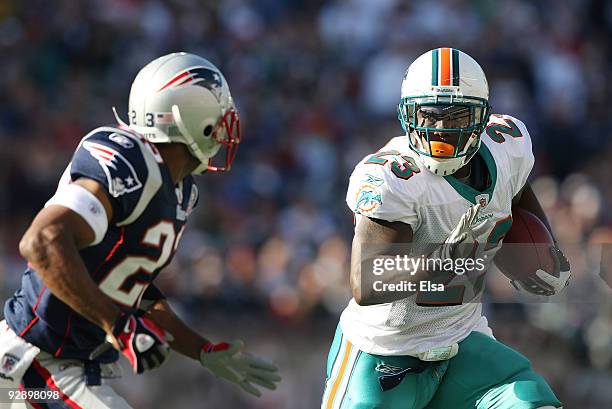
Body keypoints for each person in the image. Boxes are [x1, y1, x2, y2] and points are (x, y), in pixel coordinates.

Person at [0, 52, 281, 408]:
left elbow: (135, 291)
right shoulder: (129, 159)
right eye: (220, 113)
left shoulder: (181, 192)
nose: (227, 125)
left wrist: (201, 349)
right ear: (189, 115)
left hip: (66, 369)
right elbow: (42, 241)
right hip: (32, 364)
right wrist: (118, 325)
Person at [321, 48, 570, 409]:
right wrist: (442, 263)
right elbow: (367, 280)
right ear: (407, 115)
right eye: (428, 115)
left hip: (460, 341)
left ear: (482, 117)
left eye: (455, 114)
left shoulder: (507, 149)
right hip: (383, 354)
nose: (439, 128)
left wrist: (543, 260)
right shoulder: (393, 178)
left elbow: (518, 206)